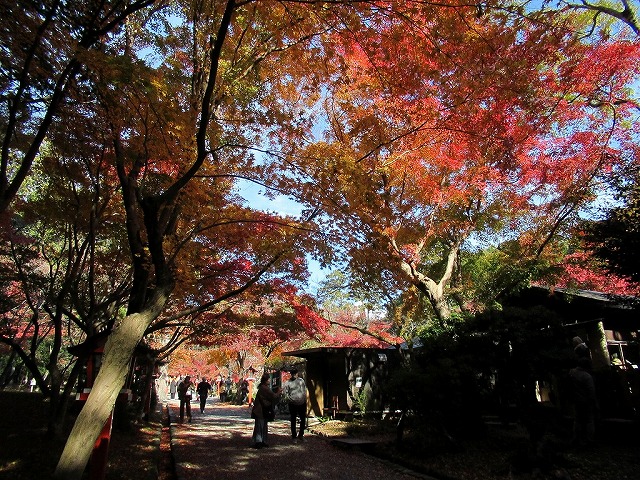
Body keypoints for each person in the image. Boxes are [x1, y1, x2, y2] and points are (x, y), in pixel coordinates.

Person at [569, 357, 598, 448]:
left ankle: (577, 438)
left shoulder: (571, 373)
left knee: (577, 420)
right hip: (586, 401)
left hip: (576, 400)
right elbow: (591, 391)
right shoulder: (586, 376)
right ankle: (589, 439)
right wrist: (594, 402)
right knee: (589, 421)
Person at [251, 373, 281, 449]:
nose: (269, 381)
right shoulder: (264, 388)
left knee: (262, 426)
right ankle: (258, 442)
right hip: (260, 410)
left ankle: (262, 441)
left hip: (262, 410)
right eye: (268, 379)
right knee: (260, 426)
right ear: (266, 380)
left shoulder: (262, 388)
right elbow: (273, 396)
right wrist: (278, 392)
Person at [283, 368, 307, 442]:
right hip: (292, 403)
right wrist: (289, 399)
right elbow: (285, 393)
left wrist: (304, 398)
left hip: (302, 402)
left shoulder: (301, 381)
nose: (294, 375)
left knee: (303, 419)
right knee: (293, 419)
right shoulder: (288, 383)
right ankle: (294, 436)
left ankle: (301, 435)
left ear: (297, 374)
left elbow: (304, 390)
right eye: (292, 374)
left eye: (295, 374)